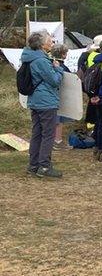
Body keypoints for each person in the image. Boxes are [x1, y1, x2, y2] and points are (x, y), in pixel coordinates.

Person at [21, 31, 64, 178]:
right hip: (46, 102)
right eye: (50, 41)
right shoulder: (41, 60)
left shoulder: (29, 58)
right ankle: (44, 166)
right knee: (48, 135)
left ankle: (33, 165)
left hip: (35, 100)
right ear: (41, 44)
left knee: (37, 133)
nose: (52, 43)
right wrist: (58, 68)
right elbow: (54, 80)